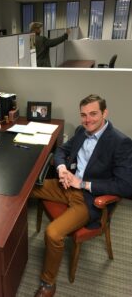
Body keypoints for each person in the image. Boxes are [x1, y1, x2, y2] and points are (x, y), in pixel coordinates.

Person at [31, 94, 132, 297]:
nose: (88, 120)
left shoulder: (120, 142)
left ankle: (48, 284)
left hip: (88, 200)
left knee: (53, 233)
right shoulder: (81, 131)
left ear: (105, 113)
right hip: (66, 186)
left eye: (93, 114)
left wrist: (83, 183)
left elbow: (126, 186)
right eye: (83, 115)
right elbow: (61, 150)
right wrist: (61, 170)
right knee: (25, 189)